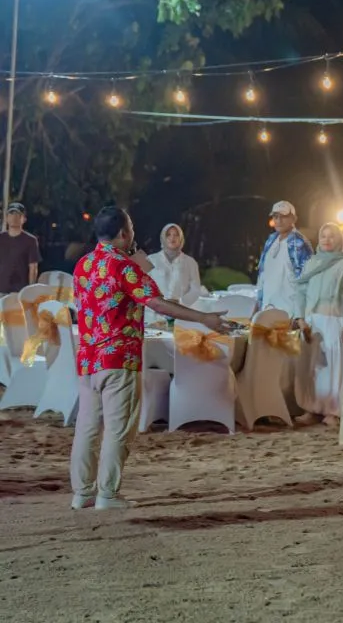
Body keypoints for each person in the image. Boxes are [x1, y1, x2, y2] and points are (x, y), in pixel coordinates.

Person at [71, 206, 230, 510]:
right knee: (118, 429)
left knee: (87, 427)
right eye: (130, 226)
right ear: (123, 233)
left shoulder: (83, 264)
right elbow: (157, 303)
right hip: (119, 359)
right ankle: (107, 494)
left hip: (88, 358)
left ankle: (82, 493)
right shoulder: (123, 267)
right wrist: (203, 318)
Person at [292, 223, 343, 426]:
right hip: (312, 323)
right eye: (323, 236)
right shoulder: (312, 262)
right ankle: (312, 408)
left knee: (335, 368)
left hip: (336, 321)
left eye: (332, 236)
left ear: (338, 239)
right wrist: (300, 319)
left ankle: (334, 411)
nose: (327, 240)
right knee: (313, 368)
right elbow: (300, 292)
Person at [256, 201, 313, 318]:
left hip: (290, 313)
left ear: (294, 218)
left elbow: (307, 281)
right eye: (275, 216)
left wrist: (300, 316)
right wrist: (258, 305)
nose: (279, 220)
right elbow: (262, 276)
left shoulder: (300, 244)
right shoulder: (270, 241)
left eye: (284, 216)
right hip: (267, 309)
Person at [147, 223, 203, 303]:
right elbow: (143, 285)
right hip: (155, 309)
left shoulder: (190, 262)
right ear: (163, 237)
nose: (172, 238)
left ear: (181, 238)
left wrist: (180, 302)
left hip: (180, 309)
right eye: (168, 235)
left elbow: (195, 290)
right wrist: (157, 302)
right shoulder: (151, 259)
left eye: (176, 235)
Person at [0, 202, 40, 293]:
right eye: (11, 214)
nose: (14, 218)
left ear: (24, 219)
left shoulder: (31, 240)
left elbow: (33, 267)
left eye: (18, 215)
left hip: (19, 291)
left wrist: (30, 291)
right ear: (6, 218)